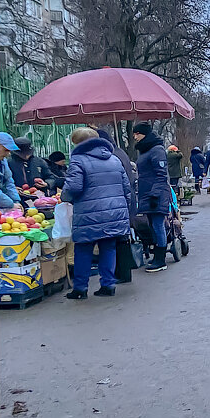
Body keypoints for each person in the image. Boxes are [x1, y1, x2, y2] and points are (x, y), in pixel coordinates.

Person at [61, 128, 131, 299]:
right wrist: (122, 209)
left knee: (83, 249)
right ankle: (108, 285)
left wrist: (65, 197)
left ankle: (80, 289)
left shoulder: (78, 160)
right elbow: (126, 188)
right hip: (114, 213)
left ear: (80, 143)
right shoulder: (114, 159)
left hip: (88, 214)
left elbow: (74, 187)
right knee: (108, 248)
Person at [132, 122, 172, 273]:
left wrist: (155, 195)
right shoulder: (145, 150)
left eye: (137, 133)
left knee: (158, 225)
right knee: (152, 226)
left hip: (155, 195)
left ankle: (160, 260)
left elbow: (161, 175)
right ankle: (157, 256)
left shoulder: (156, 150)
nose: (135, 136)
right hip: (147, 194)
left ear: (144, 134)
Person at [0, 132, 23, 210]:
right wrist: (10, 204)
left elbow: (9, 181)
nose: (8, 154)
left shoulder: (3, 160)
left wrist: (16, 201)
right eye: (6, 150)